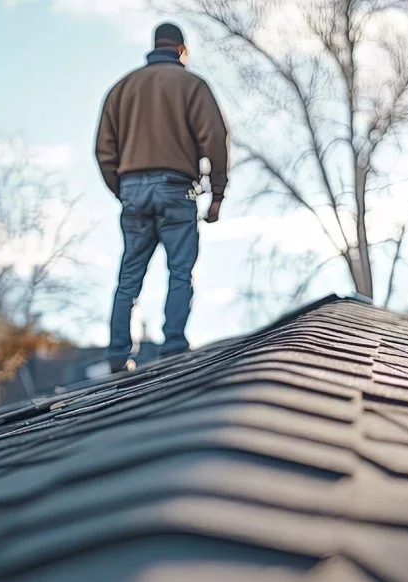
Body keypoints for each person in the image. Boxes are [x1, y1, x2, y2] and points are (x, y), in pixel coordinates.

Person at [94, 21, 230, 373]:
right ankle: (173, 347)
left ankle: (118, 355)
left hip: (133, 190)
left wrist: (121, 189)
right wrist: (217, 193)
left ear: (155, 46)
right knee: (180, 271)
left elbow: (104, 150)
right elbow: (214, 137)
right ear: (181, 49)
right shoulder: (192, 85)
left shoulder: (121, 89)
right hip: (175, 187)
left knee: (129, 278)